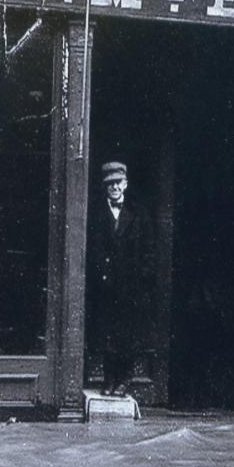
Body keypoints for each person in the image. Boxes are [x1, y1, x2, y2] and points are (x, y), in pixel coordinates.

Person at [87, 161, 155, 397]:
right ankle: (109, 380)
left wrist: (142, 279)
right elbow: (93, 248)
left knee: (128, 335)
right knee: (106, 335)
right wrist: (100, 273)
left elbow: (149, 251)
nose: (114, 187)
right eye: (110, 184)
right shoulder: (96, 214)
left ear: (125, 184)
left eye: (118, 183)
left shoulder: (139, 214)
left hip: (131, 288)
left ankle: (125, 380)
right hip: (106, 286)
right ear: (105, 187)